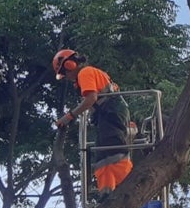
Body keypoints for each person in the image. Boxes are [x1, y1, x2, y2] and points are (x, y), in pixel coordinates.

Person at [52, 49, 134, 195]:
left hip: (111, 112)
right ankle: (107, 192)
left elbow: (91, 99)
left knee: (114, 151)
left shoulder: (85, 73)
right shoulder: (88, 74)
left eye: (65, 73)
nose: (66, 77)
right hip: (107, 114)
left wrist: (69, 116)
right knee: (102, 156)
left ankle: (127, 189)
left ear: (70, 65)